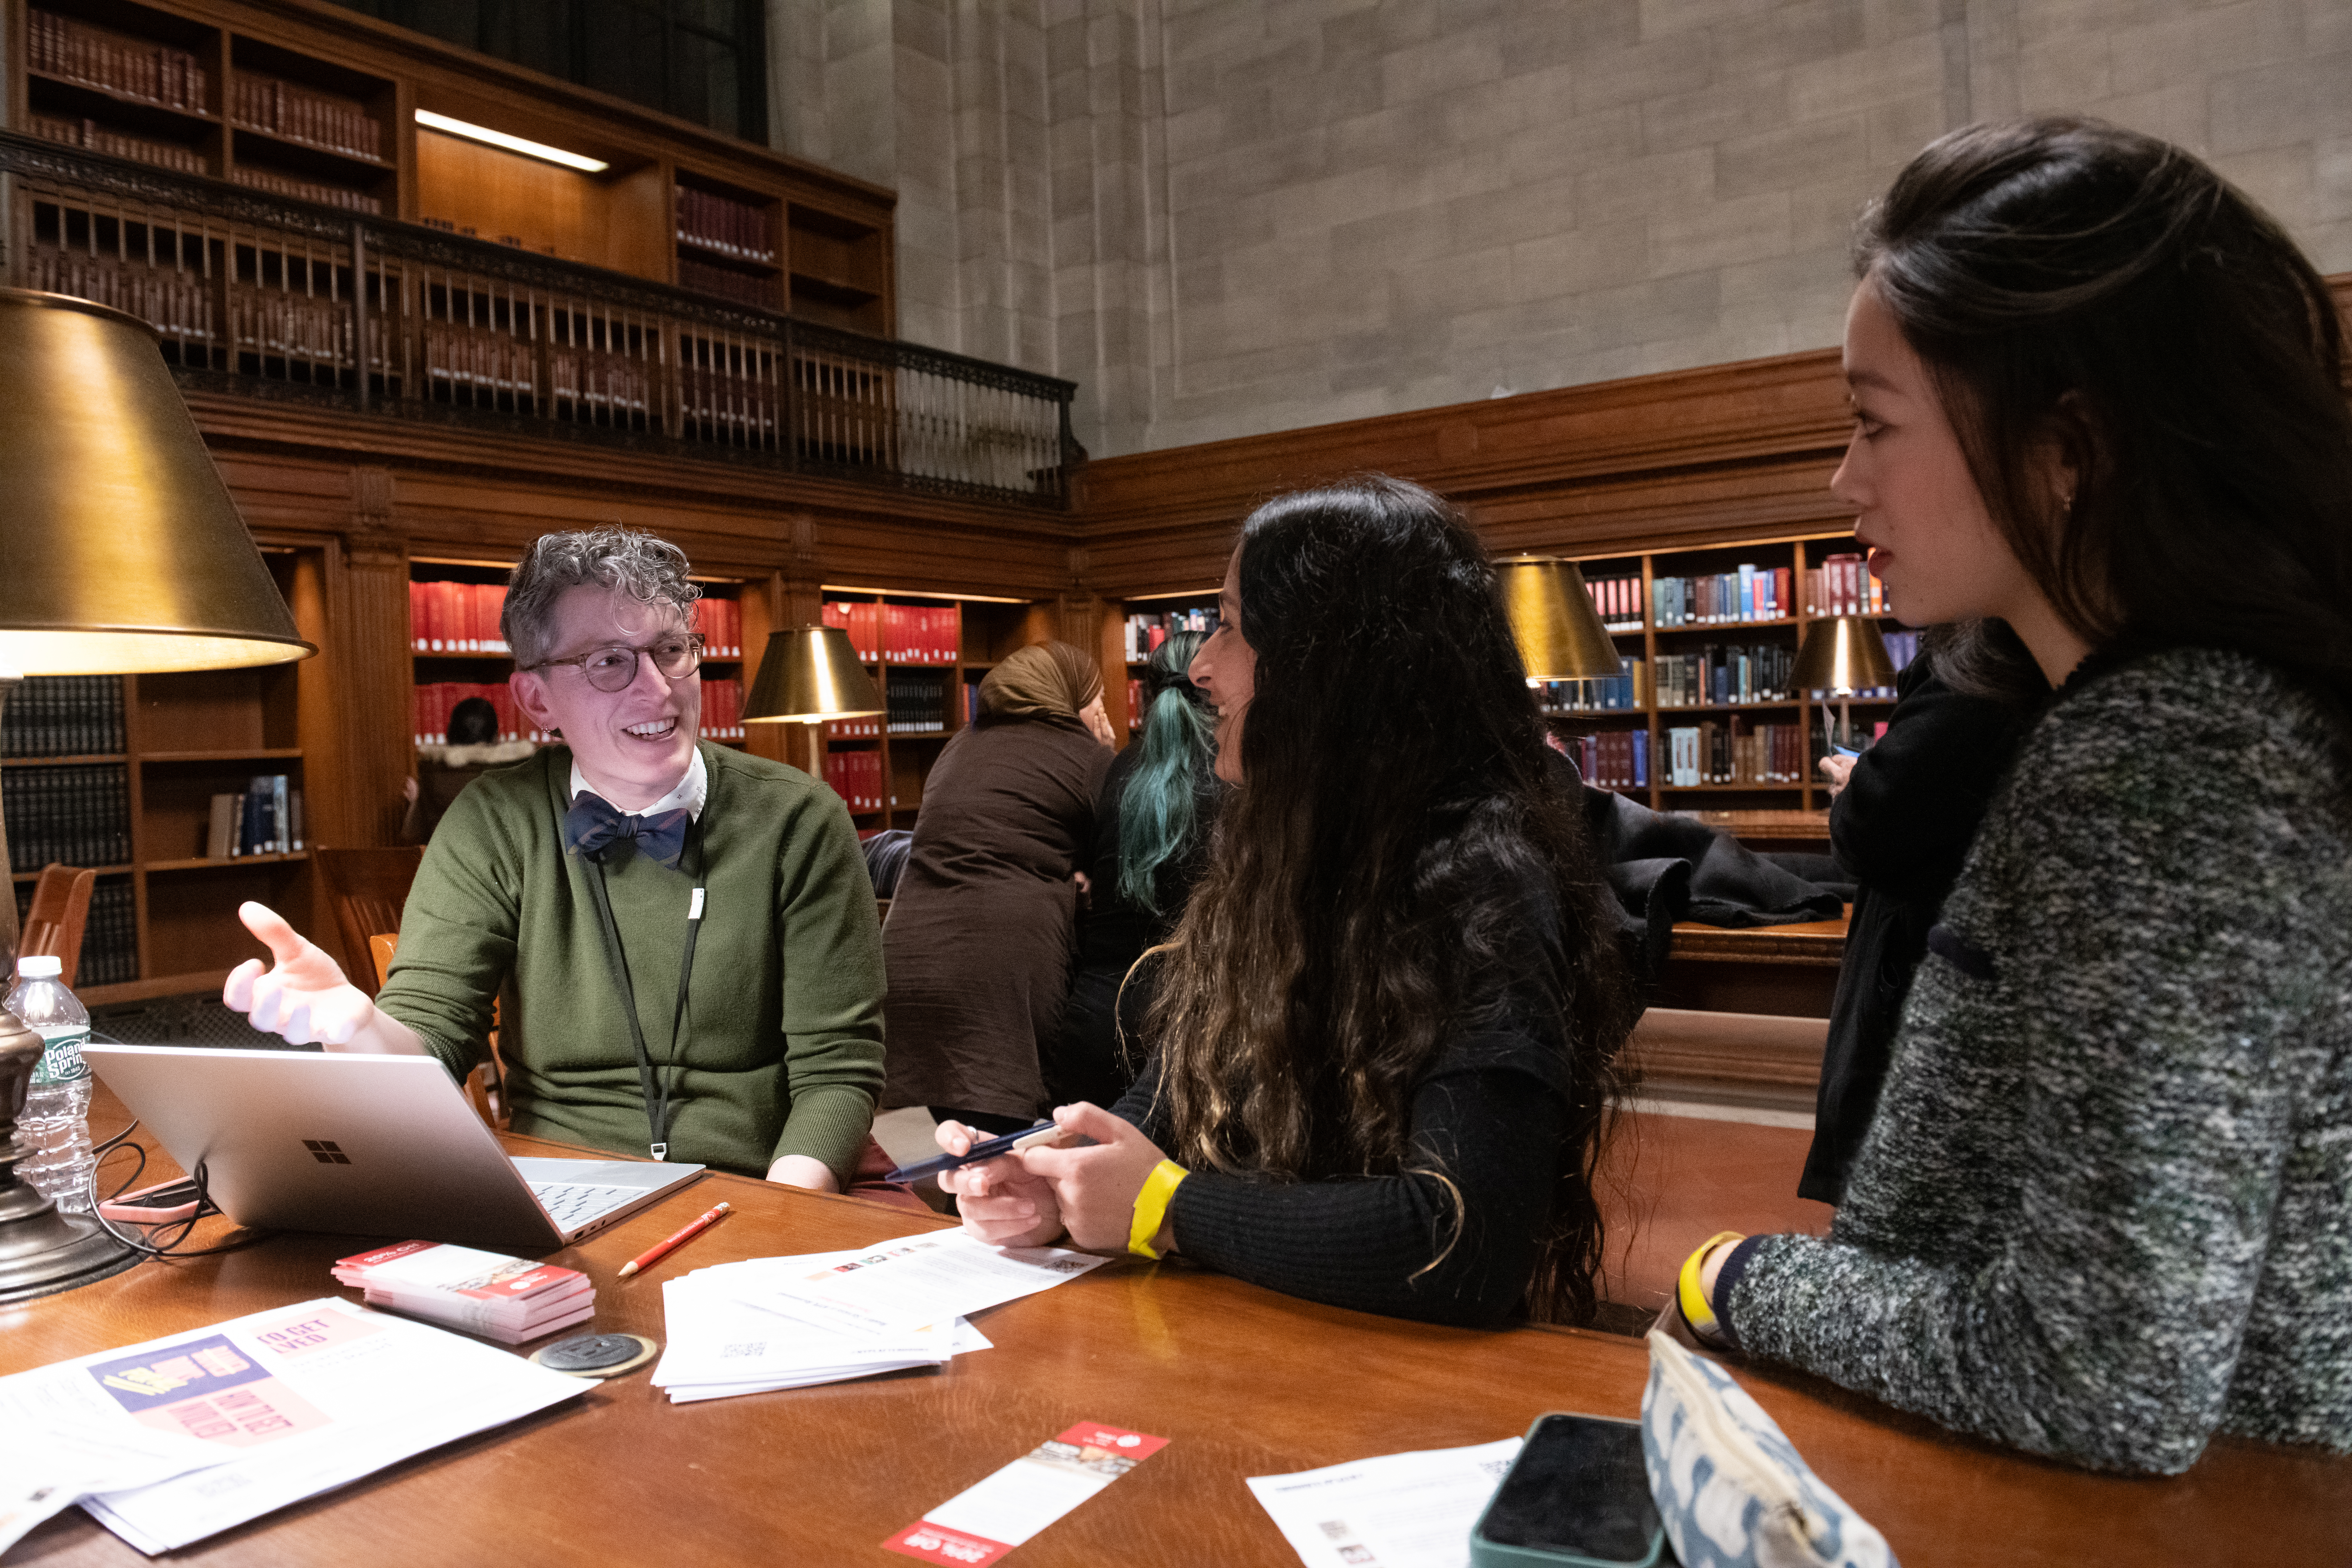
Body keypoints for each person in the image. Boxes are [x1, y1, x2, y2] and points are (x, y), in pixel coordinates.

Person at [1673, 117, 2352, 1473]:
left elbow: (2098, 1376)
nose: (1840, 481)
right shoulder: (2156, 724)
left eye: (1872, 425)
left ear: (2065, 446)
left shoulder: (2169, 759)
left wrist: (1734, 1274)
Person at [940, 477, 1640, 1329]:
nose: (1200, 665)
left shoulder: (1479, 888)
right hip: (1254, 1339)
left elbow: (1463, 1240)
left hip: (1394, 1389)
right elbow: (1161, 1120)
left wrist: (1166, 1209)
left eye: (1232, 626)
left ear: (1328, 668)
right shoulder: (1267, 868)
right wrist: (1057, 1181)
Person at [223, 527, 887, 1191]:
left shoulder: (800, 819)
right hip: (557, 1187)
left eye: (671, 650)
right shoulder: (493, 821)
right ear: (538, 700)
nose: (657, 691)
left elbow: (836, 1072)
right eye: (608, 662)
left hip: (760, 1183)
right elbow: (430, 1040)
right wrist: (360, 1026)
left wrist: (780, 1223)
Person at [1799, 626, 2043, 1204]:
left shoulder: (1986, 661)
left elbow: (1879, 820)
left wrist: (1860, 783)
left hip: (1921, 1042)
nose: (1865, 531)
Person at [880, 641, 1117, 1135]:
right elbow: (1115, 861)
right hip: (1004, 957)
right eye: (1099, 706)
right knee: (999, 1133)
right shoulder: (1084, 756)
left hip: (906, 951)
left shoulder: (957, 745)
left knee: (914, 1127)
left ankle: (920, 1210)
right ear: (1069, 699)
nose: (1106, 720)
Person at [1044, 630, 1220, 1110]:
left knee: (1082, 1177)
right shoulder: (1237, 772)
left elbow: (1083, 875)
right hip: (1195, 1017)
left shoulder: (1118, 767)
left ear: (1147, 692)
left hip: (1098, 1015)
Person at [399, 696, 534, 844]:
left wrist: (416, 801)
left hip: (448, 863)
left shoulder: (432, 775)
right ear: (496, 736)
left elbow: (411, 836)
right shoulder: (520, 771)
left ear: (451, 734)